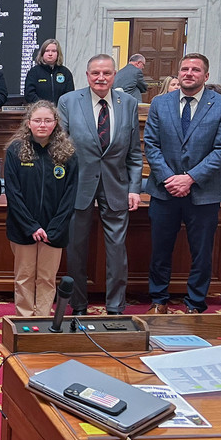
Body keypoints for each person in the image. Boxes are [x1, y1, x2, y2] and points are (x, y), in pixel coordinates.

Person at [144, 53, 221, 314]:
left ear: (205, 76)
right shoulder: (160, 103)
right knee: (160, 250)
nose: (189, 73)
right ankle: (158, 300)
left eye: (195, 70)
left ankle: (195, 303)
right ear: (178, 73)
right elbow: (150, 144)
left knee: (201, 252)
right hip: (165, 191)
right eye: (184, 69)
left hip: (204, 192)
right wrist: (169, 178)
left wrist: (190, 178)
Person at [58, 55, 143, 315]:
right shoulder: (69, 101)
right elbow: (59, 149)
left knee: (117, 249)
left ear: (115, 75)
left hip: (117, 185)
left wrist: (134, 188)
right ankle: (79, 304)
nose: (101, 78)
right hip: (78, 186)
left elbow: (134, 152)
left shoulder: (128, 103)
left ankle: (116, 305)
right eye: (95, 73)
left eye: (106, 73)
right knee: (76, 249)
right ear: (87, 75)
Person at [3, 100, 78, 317]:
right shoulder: (15, 150)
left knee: (46, 277)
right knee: (24, 277)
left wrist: (54, 228)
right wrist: (31, 226)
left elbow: (70, 195)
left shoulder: (68, 152)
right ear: (28, 123)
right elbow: (13, 193)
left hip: (55, 230)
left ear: (55, 123)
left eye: (47, 120)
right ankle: (24, 318)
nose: (42, 125)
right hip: (23, 228)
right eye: (37, 120)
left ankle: (44, 318)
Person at [24, 38, 75, 105]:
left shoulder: (65, 72)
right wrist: (44, 106)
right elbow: (29, 94)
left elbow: (70, 95)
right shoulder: (34, 72)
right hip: (39, 111)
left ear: (58, 54)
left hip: (60, 112)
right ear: (42, 53)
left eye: (53, 51)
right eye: (47, 51)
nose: (50, 54)